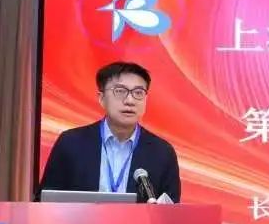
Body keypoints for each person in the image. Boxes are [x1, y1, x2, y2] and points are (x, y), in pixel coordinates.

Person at [38, 62, 181, 202]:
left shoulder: (162, 153)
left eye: (138, 93)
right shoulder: (71, 143)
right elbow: (45, 201)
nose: (130, 100)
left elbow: (172, 211)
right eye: (120, 91)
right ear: (101, 98)